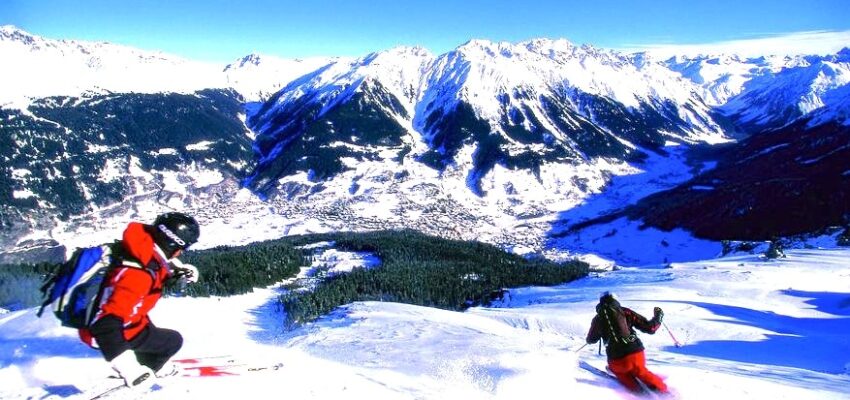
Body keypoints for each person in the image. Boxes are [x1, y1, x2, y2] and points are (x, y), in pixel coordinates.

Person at [79, 212, 201, 389]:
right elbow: (104, 324)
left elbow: (153, 270)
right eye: (183, 247)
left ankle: (148, 363)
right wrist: (129, 369)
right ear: (172, 243)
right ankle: (146, 371)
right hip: (106, 334)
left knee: (150, 329)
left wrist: (177, 271)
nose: (181, 252)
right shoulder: (137, 274)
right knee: (172, 341)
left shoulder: (140, 249)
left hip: (124, 321)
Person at [586, 291, 668, 394]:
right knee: (641, 372)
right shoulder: (625, 312)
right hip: (634, 353)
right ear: (615, 299)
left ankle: (639, 394)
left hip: (615, 360)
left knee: (624, 377)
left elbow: (591, 340)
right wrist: (658, 317)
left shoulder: (597, 319)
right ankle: (665, 393)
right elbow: (650, 328)